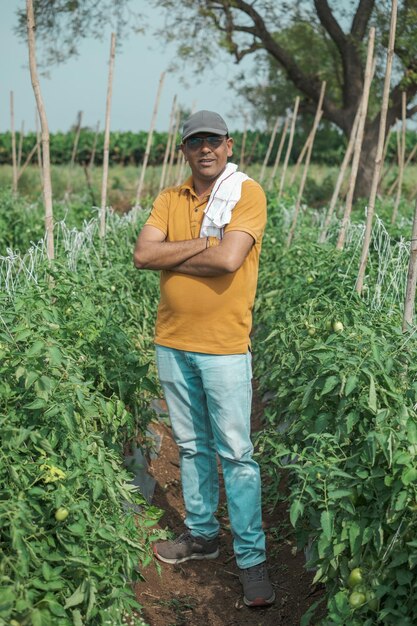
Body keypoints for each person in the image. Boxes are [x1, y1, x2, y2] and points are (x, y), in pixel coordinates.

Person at [133, 110, 274, 607]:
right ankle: (201, 535)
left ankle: (252, 560)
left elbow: (229, 259)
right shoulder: (170, 198)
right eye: (196, 142)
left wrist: (177, 251)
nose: (205, 149)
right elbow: (143, 255)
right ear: (185, 151)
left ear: (229, 146)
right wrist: (203, 244)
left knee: (235, 453)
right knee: (192, 445)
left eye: (213, 141)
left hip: (224, 347)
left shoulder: (246, 193)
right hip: (171, 341)